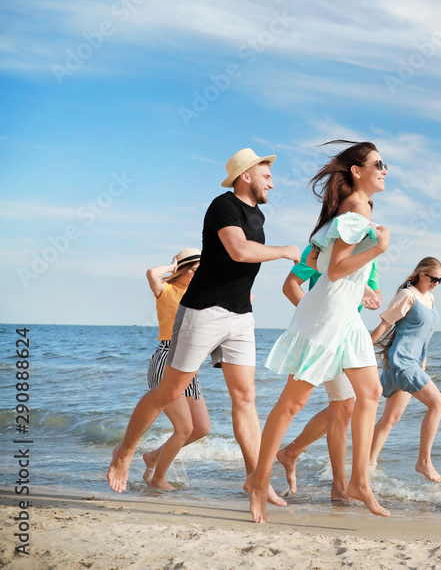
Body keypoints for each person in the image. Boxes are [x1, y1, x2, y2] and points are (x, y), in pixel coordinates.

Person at [107, 148, 301, 509]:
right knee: (170, 390)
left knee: (246, 398)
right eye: (267, 174)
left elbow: (242, 263)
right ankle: (125, 450)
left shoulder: (257, 215)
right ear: (246, 175)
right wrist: (285, 251)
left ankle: (256, 480)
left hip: (241, 315)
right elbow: (239, 251)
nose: (272, 181)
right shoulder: (223, 206)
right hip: (203, 310)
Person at [245, 140, 390, 522]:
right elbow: (337, 269)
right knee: (293, 402)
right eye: (379, 164)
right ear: (357, 172)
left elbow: (327, 262)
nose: (385, 170)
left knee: (370, 393)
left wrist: (365, 286)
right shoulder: (356, 209)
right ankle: (259, 480)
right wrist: (379, 249)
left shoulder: (354, 211)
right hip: (329, 315)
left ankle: (359, 480)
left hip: (347, 317)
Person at [274, 242, 382, 500]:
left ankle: (291, 453)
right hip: (323, 335)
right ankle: (339, 485)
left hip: (348, 335)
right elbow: (290, 285)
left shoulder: (370, 254)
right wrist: (317, 322)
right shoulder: (321, 248)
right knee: (338, 405)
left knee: (346, 405)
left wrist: (371, 297)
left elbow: (374, 295)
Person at [369, 257, 441, 483]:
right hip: (402, 363)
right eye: (433, 278)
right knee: (439, 404)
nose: (437, 283)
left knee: (390, 418)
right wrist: (362, 349)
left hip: (412, 364)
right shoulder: (407, 295)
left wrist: (423, 365)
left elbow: (424, 337)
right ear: (421, 275)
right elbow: (385, 325)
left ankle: (368, 464)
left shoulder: (429, 298)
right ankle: (424, 462)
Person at [140, 248, 210, 490]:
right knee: (184, 429)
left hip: (190, 365)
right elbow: (152, 273)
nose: (197, 275)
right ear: (181, 271)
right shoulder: (166, 291)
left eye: (200, 271)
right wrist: (173, 266)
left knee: (201, 428)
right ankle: (158, 479)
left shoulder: (200, 295)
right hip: (168, 359)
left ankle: (152, 457)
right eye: (193, 270)